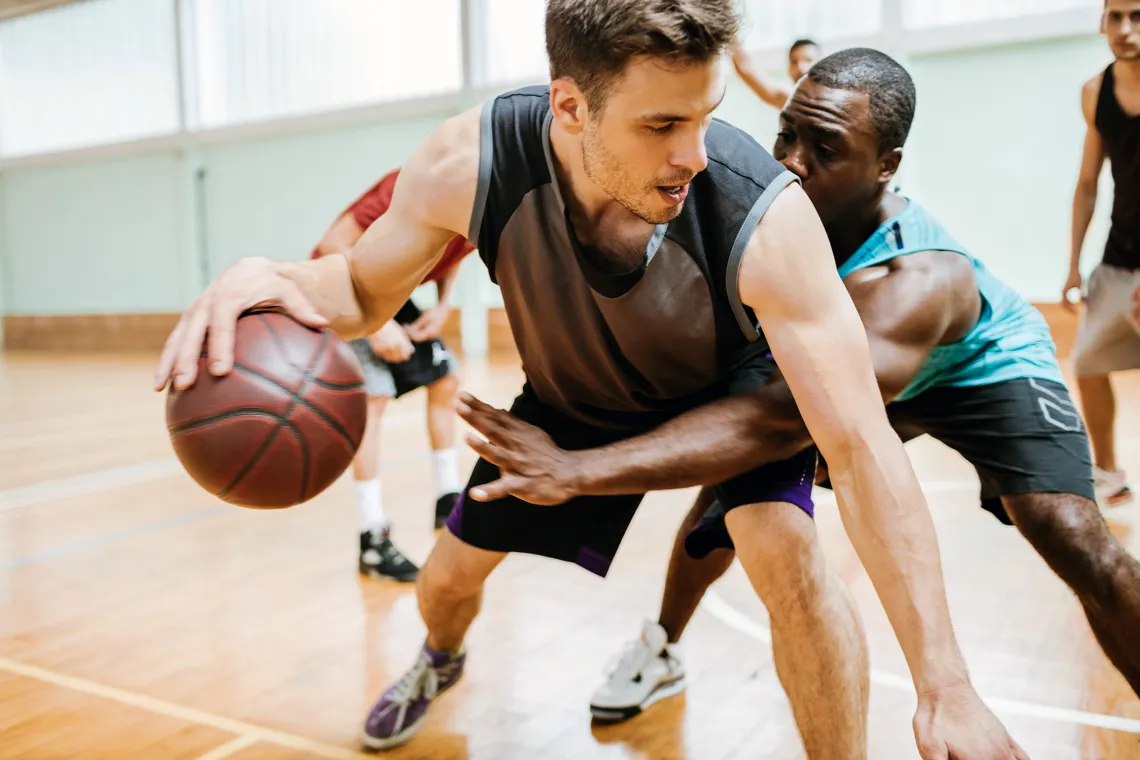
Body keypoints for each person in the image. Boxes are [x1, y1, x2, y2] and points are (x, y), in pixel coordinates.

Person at [154, 3, 1025, 757]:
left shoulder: (765, 213)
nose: (696, 152)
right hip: (571, 402)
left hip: (721, 393)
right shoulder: (472, 162)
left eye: (707, 115)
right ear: (570, 106)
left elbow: (862, 443)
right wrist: (266, 273)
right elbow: (356, 288)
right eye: (660, 126)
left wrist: (944, 682)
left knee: (789, 560)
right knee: (445, 583)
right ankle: (439, 657)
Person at [455, 47, 1140, 721]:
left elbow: (777, 419)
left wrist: (578, 470)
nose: (791, 161)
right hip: (855, 372)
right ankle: (660, 645)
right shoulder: (757, 213)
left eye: (826, 149)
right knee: (733, 499)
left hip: (980, 369)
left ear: (887, 167)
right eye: (787, 133)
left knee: (1070, 533)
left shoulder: (915, 281)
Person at [310, 170, 474, 582]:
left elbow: (452, 253)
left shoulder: (489, 203)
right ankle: (372, 538)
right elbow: (334, 245)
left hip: (388, 291)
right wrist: (376, 326)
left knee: (445, 381)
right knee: (373, 400)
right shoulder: (415, 182)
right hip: (340, 286)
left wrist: (444, 304)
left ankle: (447, 498)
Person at [1065, 0, 1140, 508]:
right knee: (1088, 362)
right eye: (1115, 17)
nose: (1125, 28)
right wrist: (1073, 264)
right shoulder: (1096, 91)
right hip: (1118, 257)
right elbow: (1089, 182)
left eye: (1136, 15)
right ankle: (1109, 473)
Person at [731, 38, 820, 110]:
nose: (800, 67)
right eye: (794, 62)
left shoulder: (831, 100)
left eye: (808, 60)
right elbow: (744, 68)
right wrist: (728, 28)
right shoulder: (790, 100)